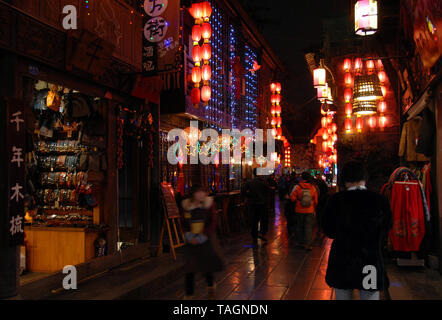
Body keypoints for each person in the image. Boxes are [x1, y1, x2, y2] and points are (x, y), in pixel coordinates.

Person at [322, 161, 392, 300]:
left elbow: (328, 230)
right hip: (369, 261)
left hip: (342, 261)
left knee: (342, 295)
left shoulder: (335, 201)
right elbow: (386, 228)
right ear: (364, 178)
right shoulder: (379, 200)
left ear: (345, 179)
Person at [181, 185, 224, 300]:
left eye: (203, 192)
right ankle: (189, 296)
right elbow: (183, 223)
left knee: (207, 268)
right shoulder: (187, 206)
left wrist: (202, 236)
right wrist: (189, 235)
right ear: (193, 194)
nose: (201, 195)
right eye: (198, 192)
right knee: (189, 269)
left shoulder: (209, 205)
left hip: (206, 240)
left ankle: (211, 288)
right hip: (191, 241)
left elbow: (213, 222)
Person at [290, 171, 318, 250]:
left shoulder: (298, 187)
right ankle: (308, 244)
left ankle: (300, 243)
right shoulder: (313, 187)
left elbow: (292, 198)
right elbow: (316, 201)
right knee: (308, 227)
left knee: (299, 226)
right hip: (310, 210)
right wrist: (313, 207)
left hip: (299, 210)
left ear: (301, 178)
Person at [242, 168, 270, 242]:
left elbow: (243, 191)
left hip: (253, 203)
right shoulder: (263, 182)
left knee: (254, 219)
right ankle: (262, 233)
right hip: (262, 203)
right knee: (263, 219)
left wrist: (249, 195)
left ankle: (254, 234)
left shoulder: (250, 182)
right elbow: (268, 191)